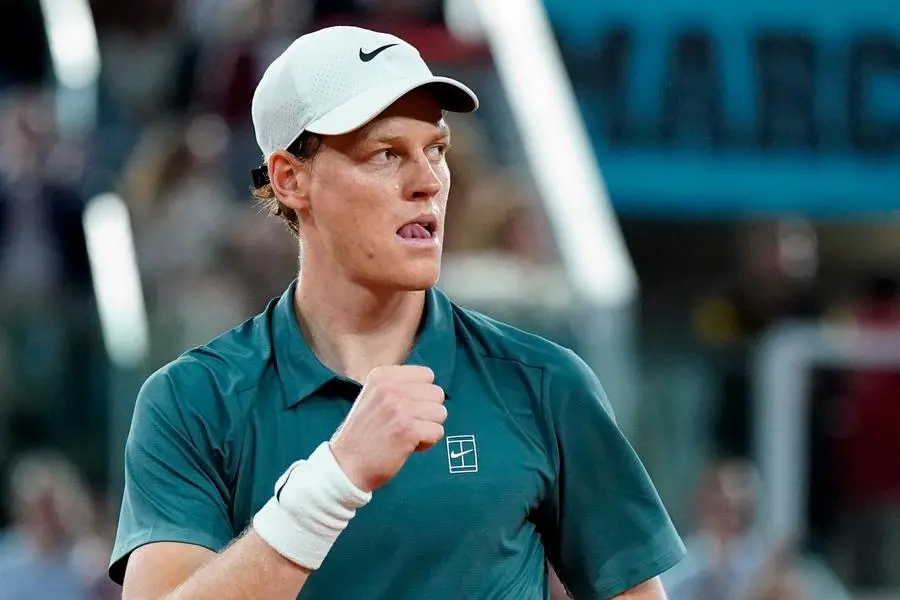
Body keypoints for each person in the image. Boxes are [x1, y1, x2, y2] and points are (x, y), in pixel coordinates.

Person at [108, 26, 685, 599]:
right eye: (386, 154)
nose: (428, 182)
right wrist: (333, 484)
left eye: (436, 150)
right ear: (290, 180)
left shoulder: (544, 384)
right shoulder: (193, 400)